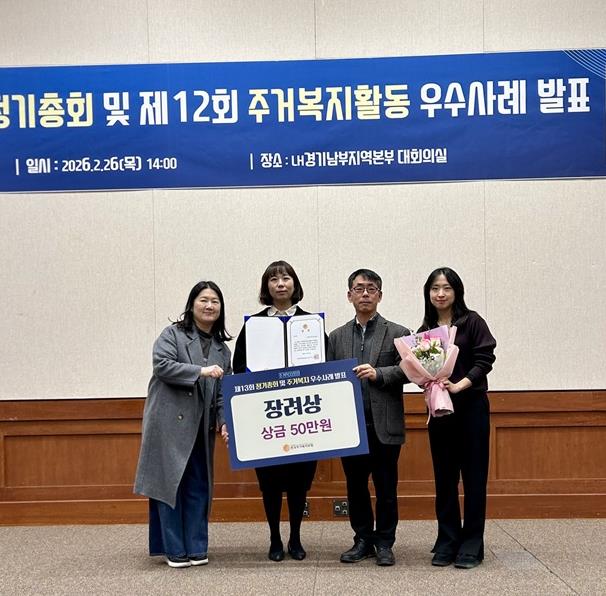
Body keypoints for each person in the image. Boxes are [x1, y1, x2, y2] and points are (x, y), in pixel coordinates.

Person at [134, 281, 232, 568]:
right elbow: (162, 365)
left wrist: (224, 422)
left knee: (198, 485)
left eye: (215, 301)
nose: (209, 306)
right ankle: (174, 549)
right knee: (170, 485)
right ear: (192, 305)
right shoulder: (173, 334)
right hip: (168, 424)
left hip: (201, 427)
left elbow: (222, 394)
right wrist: (201, 371)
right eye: (204, 300)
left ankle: (197, 547)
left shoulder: (222, 350)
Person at [233, 260, 316, 562]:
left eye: (286, 278)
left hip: (302, 415)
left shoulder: (312, 323)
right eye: (274, 279)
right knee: (269, 483)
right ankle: (274, 538)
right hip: (266, 416)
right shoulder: (253, 325)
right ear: (266, 287)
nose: (280, 284)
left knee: (298, 483)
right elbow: (238, 368)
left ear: (295, 284)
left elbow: (324, 368)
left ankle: (295, 537)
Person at [327, 268, 410, 567]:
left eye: (371, 289)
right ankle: (362, 539)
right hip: (351, 427)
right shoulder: (335, 337)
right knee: (356, 488)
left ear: (380, 295)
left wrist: (379, 373)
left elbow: (410, 370)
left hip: (384, 425)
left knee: (386, 488)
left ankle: (385, 542)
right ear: (349, 295)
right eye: (359, 288)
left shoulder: (399, 333)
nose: (365, 294)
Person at [420, 267, 496, 570]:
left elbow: (485, 359)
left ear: (457, 291)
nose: (440, 294)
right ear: (428, 293)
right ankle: (448, 541)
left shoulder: (472, 321)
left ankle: (472, 544)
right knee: (445, 478)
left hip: (472, 407)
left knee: (474, 479)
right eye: (435, 288)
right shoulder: (426, 329)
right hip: (440, 412)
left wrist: (460, 384)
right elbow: (421, 369)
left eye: (447, 288)